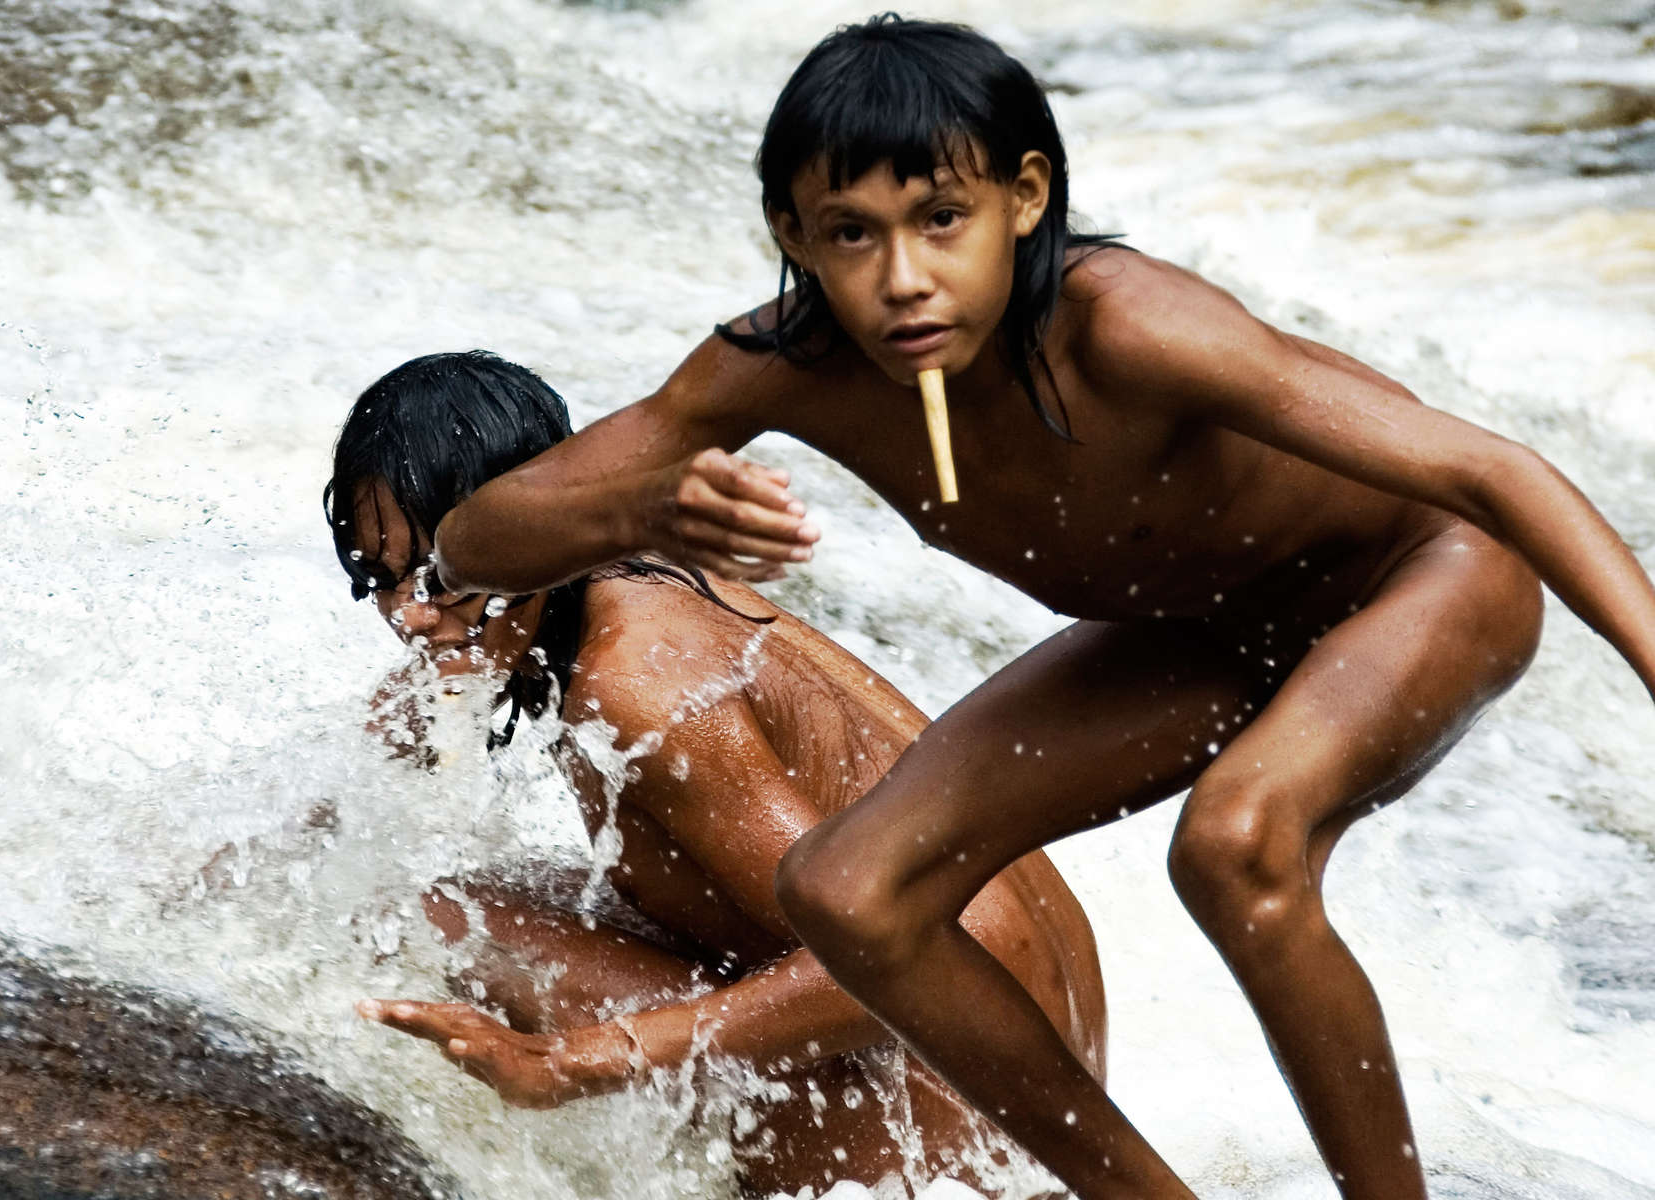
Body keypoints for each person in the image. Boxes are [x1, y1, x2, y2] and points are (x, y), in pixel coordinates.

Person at [418, 16, 1655, 1200]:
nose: (904, 279)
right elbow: (476, 536)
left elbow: (1491, 472)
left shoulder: (1132, 327)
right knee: (850, 889)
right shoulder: (779, 366)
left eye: (941, 220)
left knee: (1236, 848)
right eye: (851, 235)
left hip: (1422, 575)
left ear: (1025, 197)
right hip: (1201, 629)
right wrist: (642, 514)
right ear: (792, 237)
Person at [327, 351, 1108, 1197]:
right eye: (380, 577)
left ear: (526, 526)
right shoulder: (640, 580)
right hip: (1054, 1102)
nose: (409, 614)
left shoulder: (637, 685)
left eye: (438, 575)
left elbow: (910, 947)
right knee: (493, 892)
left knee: (438, 915)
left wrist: (575, 1063)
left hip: (950, 1125)